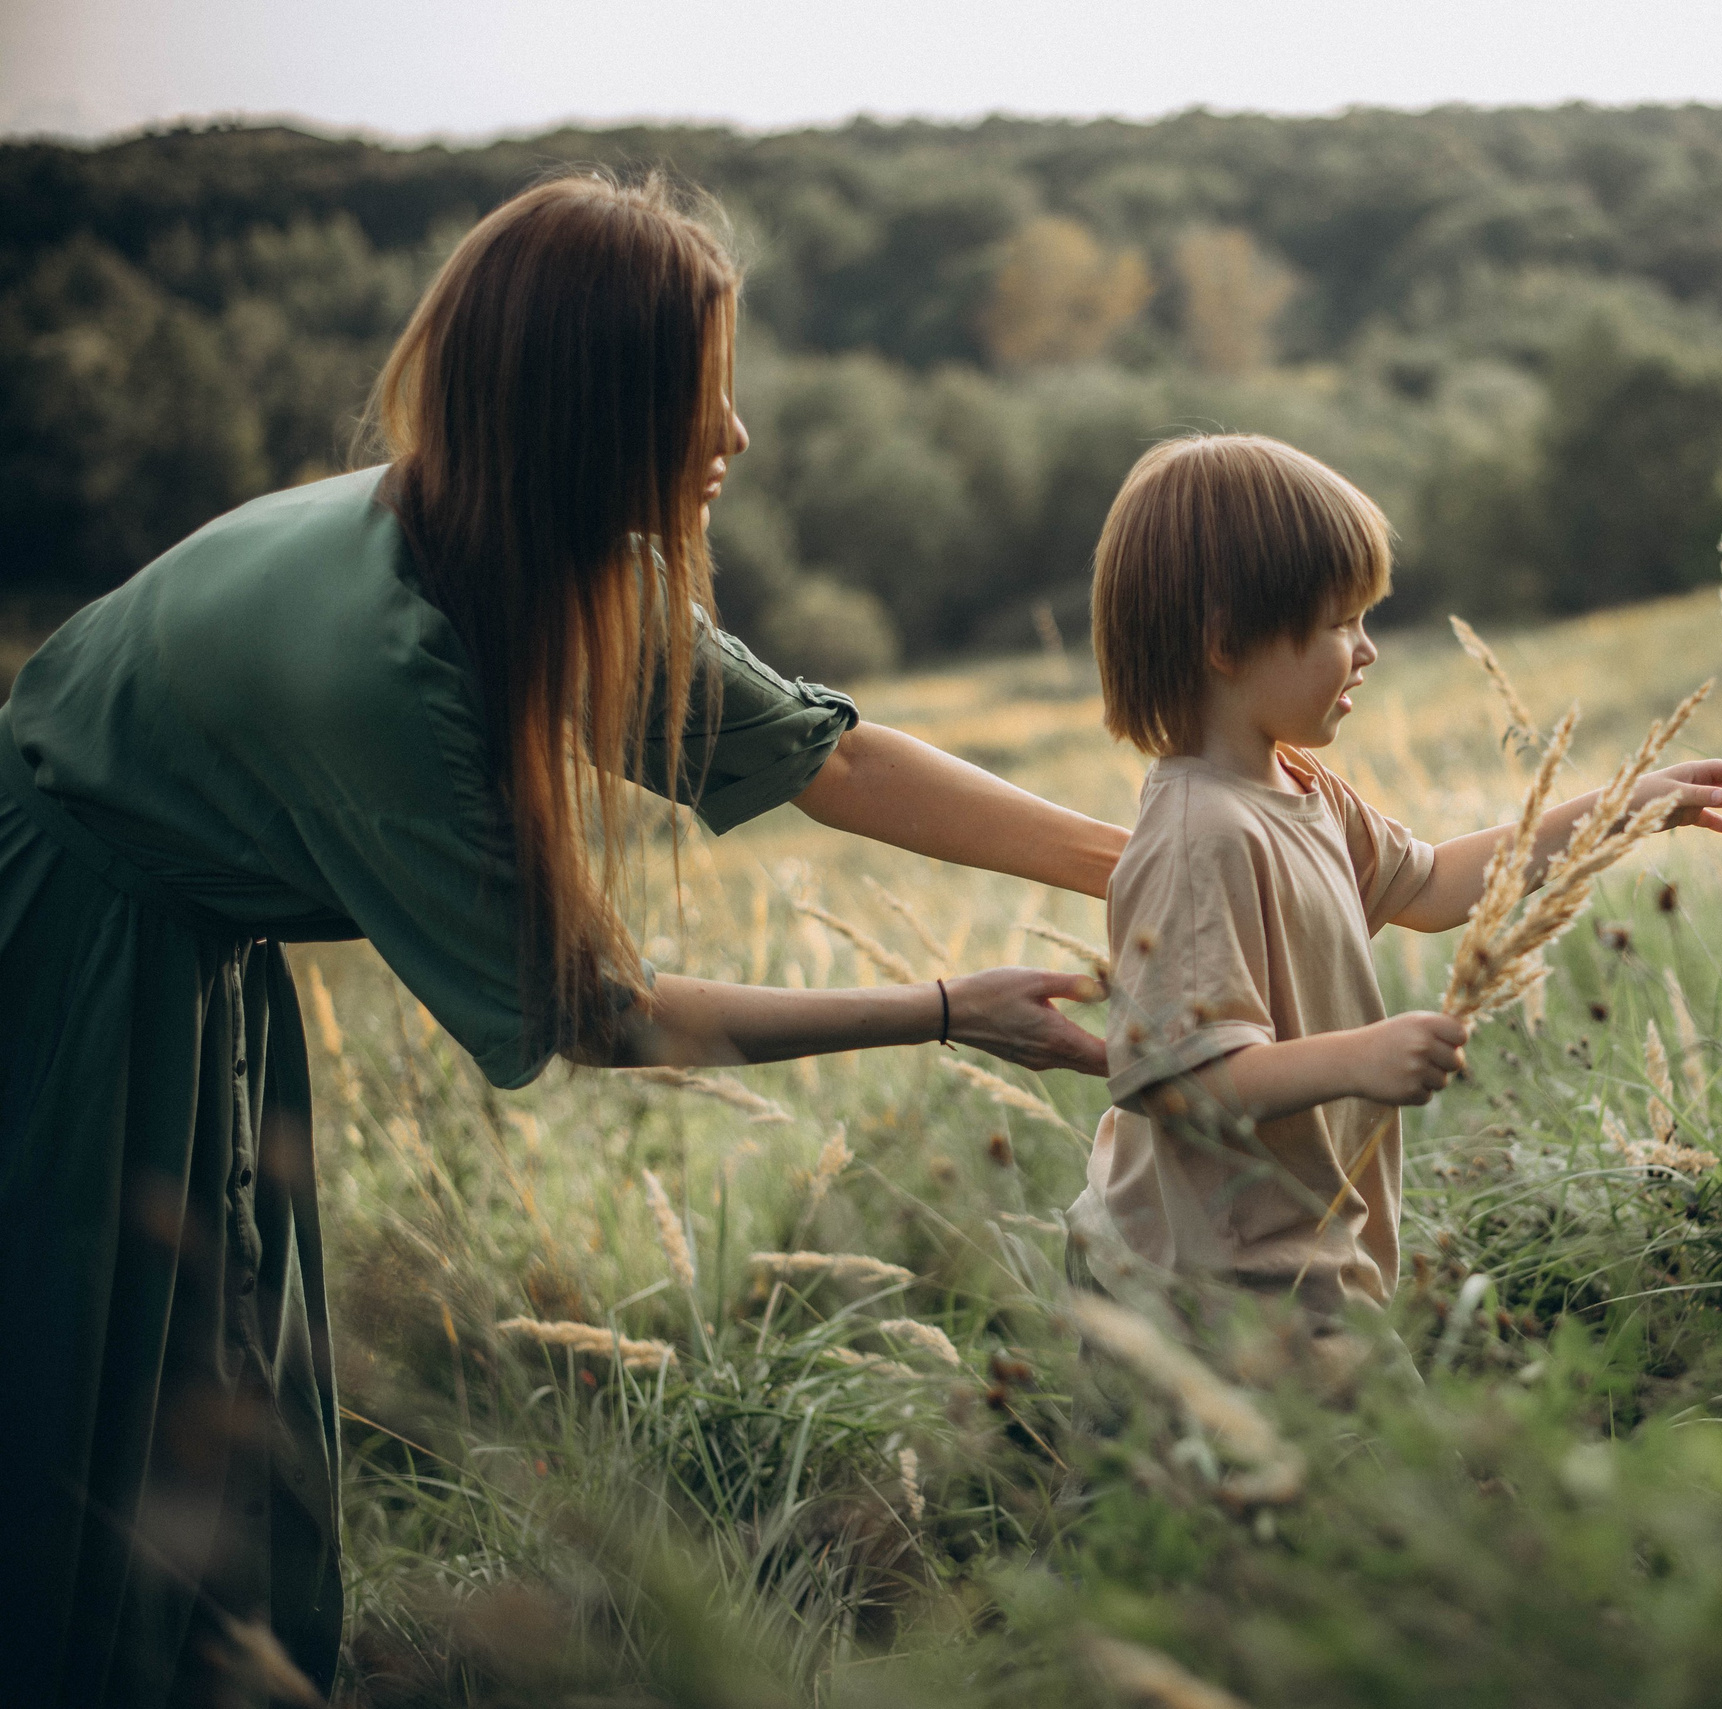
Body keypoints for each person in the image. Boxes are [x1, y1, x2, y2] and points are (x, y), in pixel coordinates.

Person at [0, 173, 1126, 1707]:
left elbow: (830, 760)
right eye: (700, 401)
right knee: (75, 1405)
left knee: (209, 1383)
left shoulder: (527, 548)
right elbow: (598, 1014)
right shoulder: (375, 660)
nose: (735, 439)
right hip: (60, 958)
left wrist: (1135, 860)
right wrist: (941, 1007)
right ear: (591, 413)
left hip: (172, 960)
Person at [1065, 435, 1722, 1317]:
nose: (1366, 650)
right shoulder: (1197, 835)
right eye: (1339, 623)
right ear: (1224, 641)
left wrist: (1619, 808)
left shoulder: (1302, 785)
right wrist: (1360, 1057)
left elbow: (1434, 883)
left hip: (1301, 1245)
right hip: (1217, 1283)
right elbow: (1180, 1081)